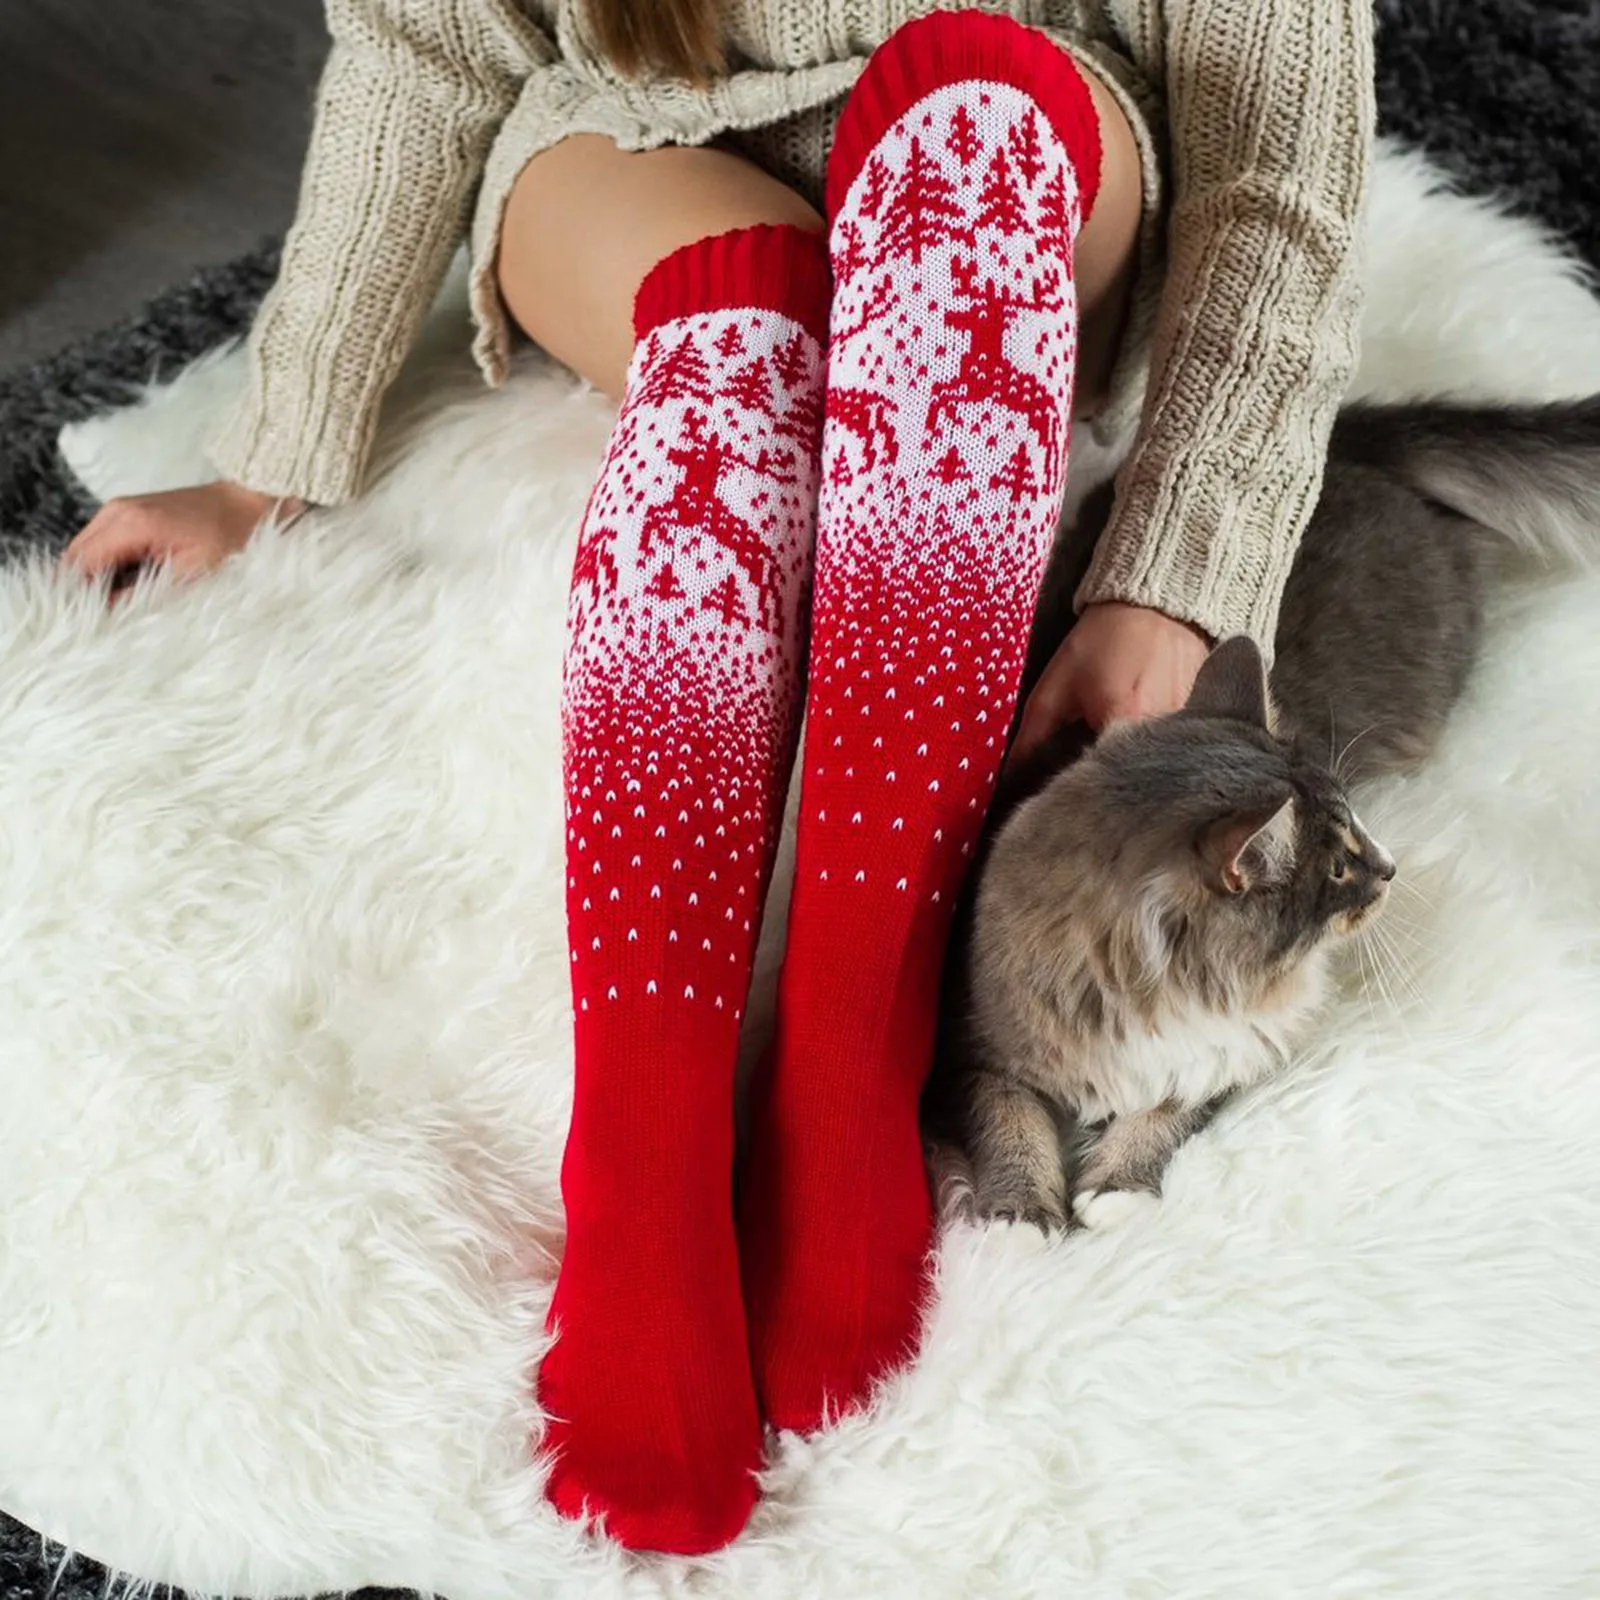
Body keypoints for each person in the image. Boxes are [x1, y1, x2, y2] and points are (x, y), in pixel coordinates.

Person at [63, 0, 1375, 1556]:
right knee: (737, 351)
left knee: (976, 131)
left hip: (1030, 151)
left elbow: (1278, 169)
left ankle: (848, 1059)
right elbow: (429, 44)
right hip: (639, 136)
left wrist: (1174, 572)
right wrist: (268, 453)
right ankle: (648, 1168)